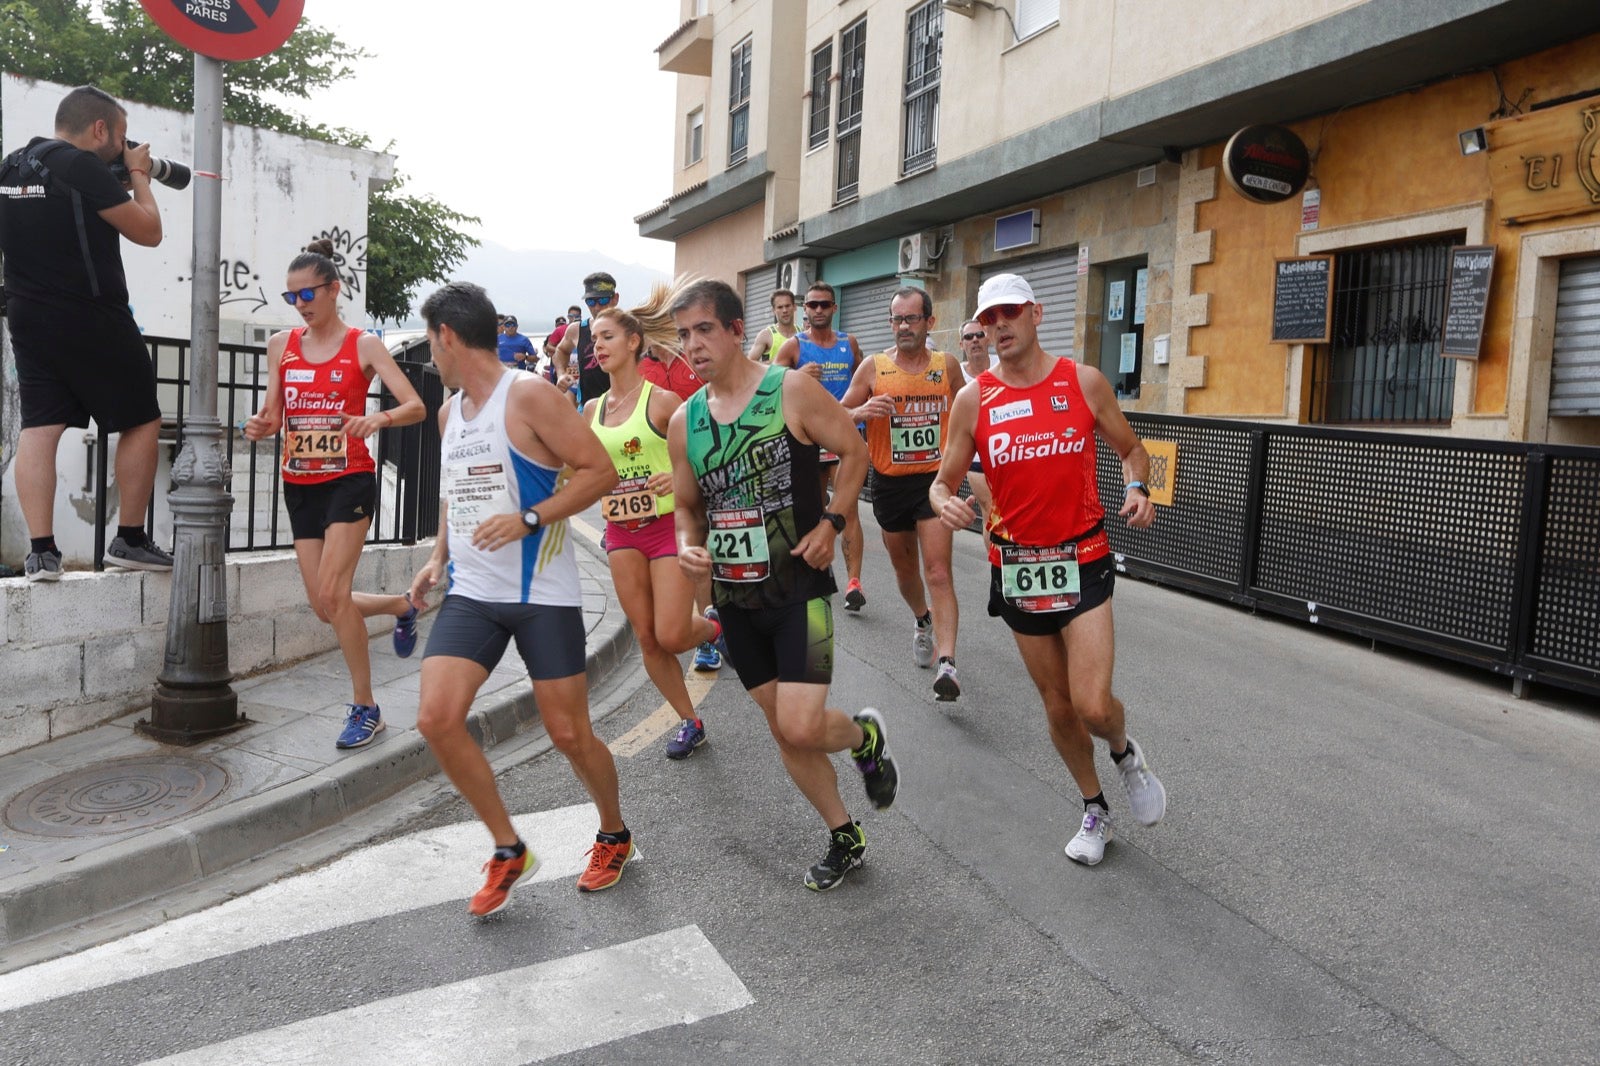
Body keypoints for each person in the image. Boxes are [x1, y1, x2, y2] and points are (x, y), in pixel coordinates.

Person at [408, 281, 634, 916]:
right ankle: (509, 849)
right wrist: (437, 556)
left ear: (448, 337)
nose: (432, 355)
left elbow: (599, 472)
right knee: (436, 718)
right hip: (474, 593)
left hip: (545, 594)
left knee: (568, 732)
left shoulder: (528, 395)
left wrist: (530, 518)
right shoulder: (451, 413)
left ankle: (613, 833)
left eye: (431, 342)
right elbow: (456, 492)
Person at [668, 279, 899, 892]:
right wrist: (690, 545)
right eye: (684, 334)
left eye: (704, 330)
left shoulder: (790, 389)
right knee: (784, 729)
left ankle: (864, 736)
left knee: (800, 725)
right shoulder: (684, 421)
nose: (692, 345)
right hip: (736, 601)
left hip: (801, 590)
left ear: (737, 330)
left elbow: (854, 453)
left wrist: (832, 523)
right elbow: (687, 505)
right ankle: (843, 832)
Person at [930, 273, 1167, 867]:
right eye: (988, 319)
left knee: (1091, 704)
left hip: (1083, 559)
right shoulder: (973, 399)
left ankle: (1122, 749)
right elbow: (943, 479)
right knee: (1058, 707)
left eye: (1009, 313)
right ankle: (1095, 807)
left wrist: (1139, 488)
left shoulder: (1081, 381)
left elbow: (1133, 450)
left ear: (1036, 313)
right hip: (1016, 568)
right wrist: (943, 500)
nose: (998, 326)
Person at [243, 239, 427, 749]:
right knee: (326, 606)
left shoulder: (363, 345)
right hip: (299, 483)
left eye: (308, 293)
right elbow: (274, 414)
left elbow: (415, 406)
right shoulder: (282, 344)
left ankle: (366, 707)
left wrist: (377, 417)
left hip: (348, 479)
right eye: (292, 296)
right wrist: (260, 425)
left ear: (333, 290)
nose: (301, 303)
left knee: (332, 594)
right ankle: (400, 606)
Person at [0, 85, 171, 580]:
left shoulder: (12, 167)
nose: (121, 146)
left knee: (41, 426)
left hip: (27, 317)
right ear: (101, 129)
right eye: (120, 137)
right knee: (141, 418)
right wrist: (138, 173)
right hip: (91, 313)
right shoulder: (81, 166)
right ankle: (131, 539)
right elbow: (148, 230)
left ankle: (40, 552)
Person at [583, 285, 723, 759]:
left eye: (606, 337)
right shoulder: (592, 411)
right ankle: (690, 720)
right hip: (621, 531)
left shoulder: (662, 403)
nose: (597, 346)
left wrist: (675, 475)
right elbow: (582, 468)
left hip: (667, 529)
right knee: (646, 636)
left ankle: (714, 628)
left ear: (633, 342)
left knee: (672, 633)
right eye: (592, 339)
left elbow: (709, 458)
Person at [840, 287, 966, 700]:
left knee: (938, 571)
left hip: (934, 482)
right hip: (890, 483)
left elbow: (971, 410)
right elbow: (837, 415)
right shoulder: (873, 368)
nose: (903, 327)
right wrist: (860, 412)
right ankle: (922, 619)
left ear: (929, 322)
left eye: (911, 319)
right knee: (906, 573)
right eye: (897, 319)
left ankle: (947, 663)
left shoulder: (945, 365)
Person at [773, 282, 867, 614]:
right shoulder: (793, 346)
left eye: (824, 305)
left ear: (834, 308)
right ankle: (814, 572)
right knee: (812, 511)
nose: (818, 310)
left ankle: (854, 582)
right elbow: (770, 384)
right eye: (812, 305)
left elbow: (864, 380)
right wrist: (796, 374)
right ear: (804, 310)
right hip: (808, 441)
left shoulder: (848, 343)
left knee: (848, 508)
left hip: (844, 437)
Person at [552, 272, 618, 406]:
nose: (597, 307)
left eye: (603, 300)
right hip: (587, 407)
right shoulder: (577, 330)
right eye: (591, 301)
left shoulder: (627, 329)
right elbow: (560, 351)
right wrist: (561, 374)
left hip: (620, 408)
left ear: (615, 299)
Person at [958, 318, 997, 523]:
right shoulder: (956, 374)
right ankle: (992, 556)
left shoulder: (1004, 365)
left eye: (979, 335)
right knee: (991, 511)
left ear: (988, 339)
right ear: (961, 344)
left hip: (1006, 451)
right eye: (968, 337)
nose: (975, 340)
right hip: (976, 457)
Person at [745, 288, 798, 364]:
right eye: (780, 307)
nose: (784, 310)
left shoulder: (803, 334)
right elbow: (748, 364)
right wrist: (778, 362)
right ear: (773, 311)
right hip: (775, 376)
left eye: (787, 306)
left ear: (794, 307)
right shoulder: (766, 335)